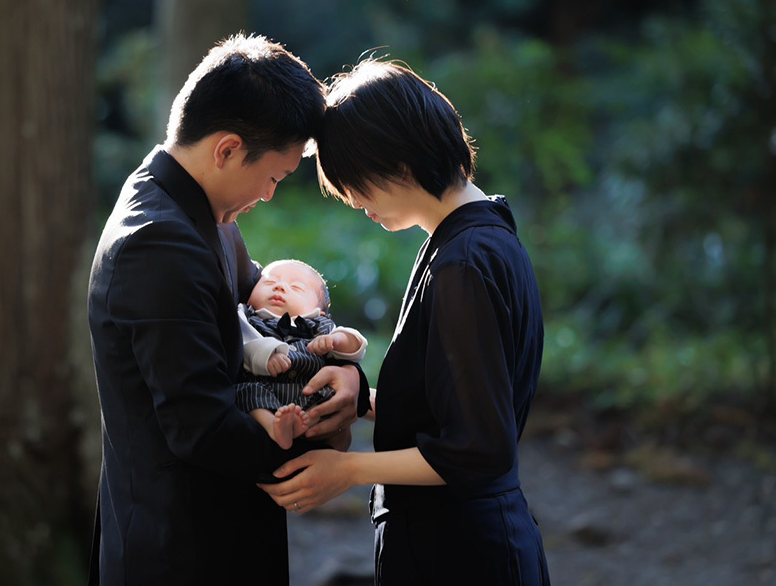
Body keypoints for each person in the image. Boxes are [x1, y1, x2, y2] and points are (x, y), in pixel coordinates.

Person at [86, 34, 370, 585]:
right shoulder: (158, 241)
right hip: (180, 547)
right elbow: (199, 426)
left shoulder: (200, 211)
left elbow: (271, 318)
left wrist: (342, 376)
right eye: (274, 177)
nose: (268, 195)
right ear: (227, 149)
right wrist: (325, 437)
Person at [259, 59, 551, 585]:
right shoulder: (480, 236)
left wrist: (346, 471)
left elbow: (479, 449)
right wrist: (362, 403)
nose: (353, 201)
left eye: (353, 182)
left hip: (461, 554)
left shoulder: (463, 262)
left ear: (397, 159)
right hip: (465, 544)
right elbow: (457, 404)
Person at [236, 259, 368, 449]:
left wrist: (337, 340)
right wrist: (265, 354)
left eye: (296, 288)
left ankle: (315, 430)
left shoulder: (319, 325)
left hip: (308, 393)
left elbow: (356, 346)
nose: (280, 287)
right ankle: (274, 426)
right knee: (246, 392)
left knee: (328, 397)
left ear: (318, 311)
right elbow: (241, 342)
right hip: (263, 388)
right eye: (269, 283)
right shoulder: (246, 316)